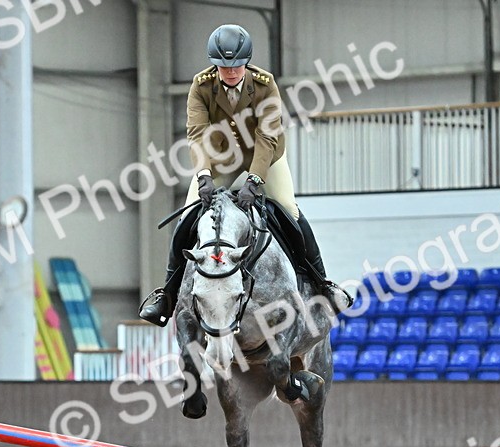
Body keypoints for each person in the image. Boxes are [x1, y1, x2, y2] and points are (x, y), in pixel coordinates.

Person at [138, 23, 350, 326]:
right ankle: (166, 296)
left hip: (265, 156)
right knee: (187, 219)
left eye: (236, 66)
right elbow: (197, 134)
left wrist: (255, 180)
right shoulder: (201, 86)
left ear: (245, 63)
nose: (230, 72)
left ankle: (322, 284)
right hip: (221, 160)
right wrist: (203, 176)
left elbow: (267, 136)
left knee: (289, 209)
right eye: (224, 67)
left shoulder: (265, 85)